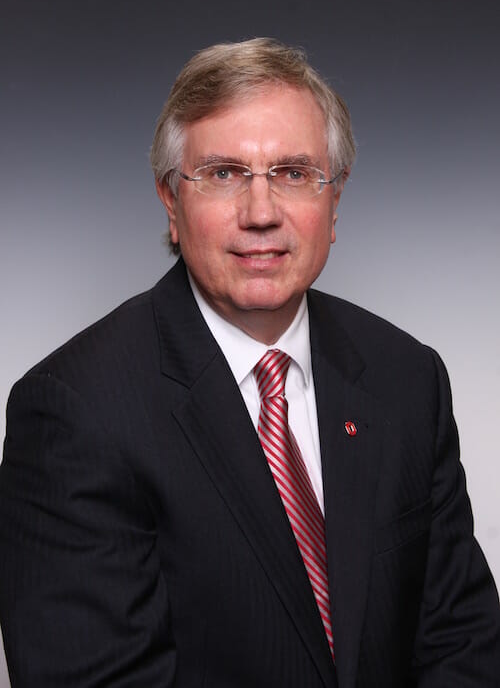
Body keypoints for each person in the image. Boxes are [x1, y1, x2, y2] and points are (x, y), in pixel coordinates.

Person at [0, 38, 498, 688]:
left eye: (293, 173)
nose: (261, 214)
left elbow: (464, 646)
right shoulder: (76, 410)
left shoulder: (407, 377)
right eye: (223, 174)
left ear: (335, 201)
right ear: (170, 202)